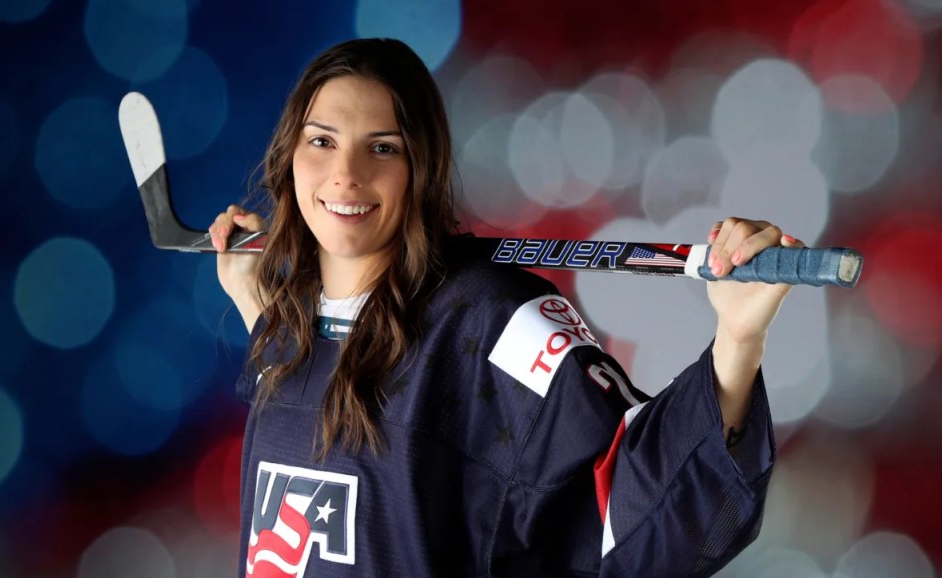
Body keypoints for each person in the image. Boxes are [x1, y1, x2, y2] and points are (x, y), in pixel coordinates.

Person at [209, 37, 802, 578]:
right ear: (290, 155)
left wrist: (738, 336)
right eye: (322, 141)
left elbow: (636, 502)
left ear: (422, 169)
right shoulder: (285, 333)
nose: (345, 174)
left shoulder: (493, 322)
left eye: (382, 148)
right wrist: (257, 304)